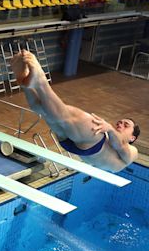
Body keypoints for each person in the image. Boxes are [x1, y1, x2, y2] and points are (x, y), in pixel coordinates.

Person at [11, 50, 140, 172]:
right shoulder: (108, 135)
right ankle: (25, 83)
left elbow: (121, 147)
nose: (120, 124)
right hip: (74, 145)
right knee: (45, 110)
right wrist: (109, 130)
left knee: (65, 115)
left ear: (133, 137)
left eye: (126, 125)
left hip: (93, 145)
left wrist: (110, 129)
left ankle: (41, 80)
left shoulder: (133, 151)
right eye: (120, 122)